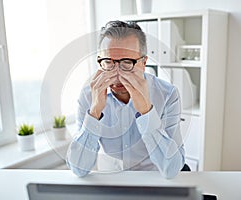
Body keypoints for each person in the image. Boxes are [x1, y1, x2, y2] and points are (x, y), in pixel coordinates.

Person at [66, 20, 185, 179]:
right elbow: (78, 169)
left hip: (154, 182)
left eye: (127, 63)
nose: (117, 74)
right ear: (100, 62)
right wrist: (94, 112)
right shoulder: (89, 95)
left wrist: (146, 111)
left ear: (143, 63)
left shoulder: (167, 94)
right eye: (108, 62)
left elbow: (172, 169)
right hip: (111, 182)